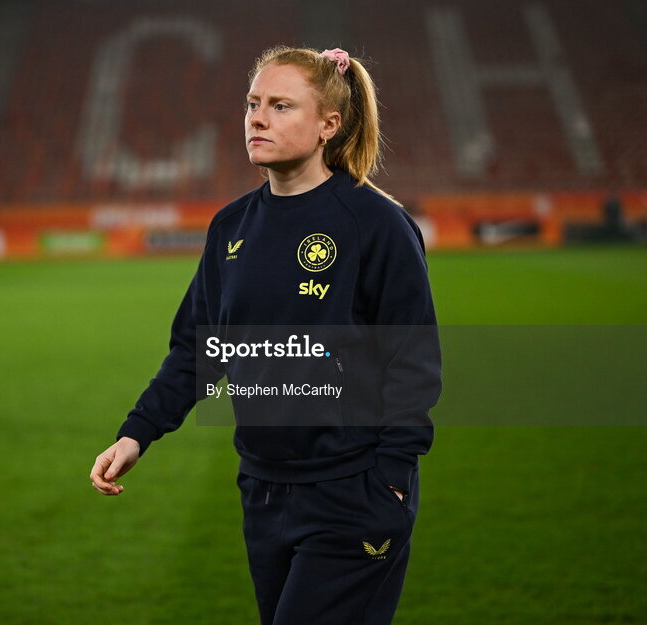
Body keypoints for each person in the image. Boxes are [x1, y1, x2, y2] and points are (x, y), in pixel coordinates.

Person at [90, 46, 441, 625]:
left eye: (281, 105)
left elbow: (413, 363)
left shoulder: (376, 224)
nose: (257, 118)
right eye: (253, 104)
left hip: (353, 492)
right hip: (263, 490)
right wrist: (137, 434)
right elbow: (199, 350)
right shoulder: (231, 226)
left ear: (329, 124)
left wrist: (392, 480)